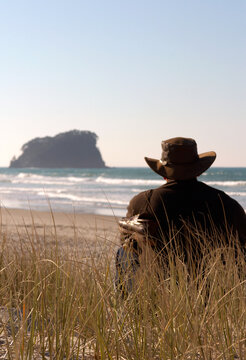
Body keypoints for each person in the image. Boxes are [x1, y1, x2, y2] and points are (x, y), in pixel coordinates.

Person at [115, 137, 246, 293]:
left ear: (164, 173)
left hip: (161, 286)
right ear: (198, 170)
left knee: (124, 251)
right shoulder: (225, 203)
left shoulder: (143, 201)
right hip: (215, 290)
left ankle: (128, 309)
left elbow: (127, 242)